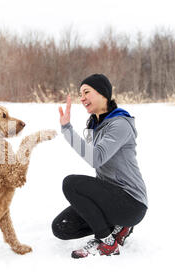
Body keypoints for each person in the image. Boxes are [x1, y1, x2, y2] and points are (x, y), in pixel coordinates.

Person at [53, 74, 148, 258]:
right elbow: (92, 158)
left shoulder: (120, 124)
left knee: (71, 184)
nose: (82, 98)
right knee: (61, 227)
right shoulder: (93, 125)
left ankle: (107, 241)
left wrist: (67, 129)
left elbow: (95, 158)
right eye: (80, 93)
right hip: (111, 197)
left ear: (103, 94)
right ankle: (118, 227)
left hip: (131, 202)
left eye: (87, 92)